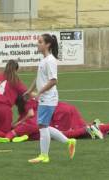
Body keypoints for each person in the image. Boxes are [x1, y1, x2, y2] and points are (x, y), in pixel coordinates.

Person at [24, 34, 76, 163]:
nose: (38, 44)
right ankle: (69, 141)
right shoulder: (43, 60)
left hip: (48, 98)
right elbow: (39, 77)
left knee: (42, 126)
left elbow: (53, 81)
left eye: (40, 42)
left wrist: (39, 92)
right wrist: (30, 90)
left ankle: (44, 156)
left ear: (47, 45)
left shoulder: (50, 60)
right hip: (45, 97)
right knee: (43, 125)